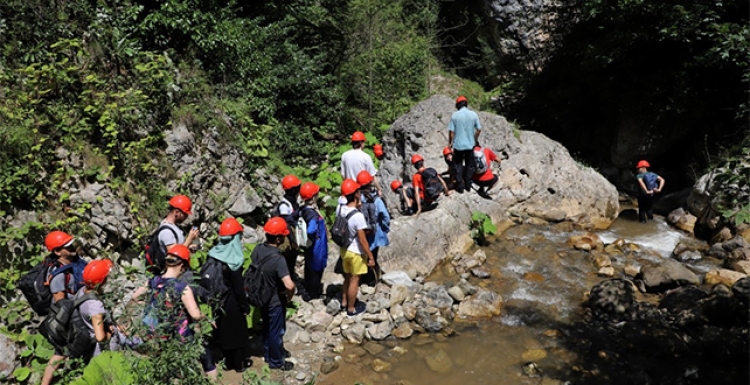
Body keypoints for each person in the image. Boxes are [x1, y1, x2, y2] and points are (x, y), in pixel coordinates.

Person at [131, 245, 217, 379]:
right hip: (179, 335)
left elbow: (134, 297)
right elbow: (195, 314)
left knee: (165, 367)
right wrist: (206, 318)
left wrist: (149, 305)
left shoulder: (153, 281)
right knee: (199, 357)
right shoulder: (182, 288)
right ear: (182, 265)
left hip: (158, 334)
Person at [42, 259, 111, 385]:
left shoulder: (83, 290)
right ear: (102, 281)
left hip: (75, 330)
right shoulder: (95, 306)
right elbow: (100, 337)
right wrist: (110, 334)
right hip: (93, 344)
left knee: (59, 354)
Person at [247, 217, 296, 371]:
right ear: (279, 237)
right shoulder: (278, 259)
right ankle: (276, 362)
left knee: (268, 327)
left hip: (261, 296)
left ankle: (268, 354)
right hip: (274, 299)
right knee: (276, 331)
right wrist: (290, 295)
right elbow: (289, 284)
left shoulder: (257, 249)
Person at [206, 218, 251, 372]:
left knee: (223, 332)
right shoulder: (234, 261)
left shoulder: (213, 254)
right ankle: (239, 366)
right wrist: (245, 307)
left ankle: (227, 364)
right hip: (232, 303)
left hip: (217, 301)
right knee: (237, 335)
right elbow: (239, 289)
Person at [338, 179, 375, 316]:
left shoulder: (340, 209)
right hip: (355, 252)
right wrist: (370, 257)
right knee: (355, 279)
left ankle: (344, 302)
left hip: (344, 250)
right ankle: (351, 309)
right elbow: (363, 240)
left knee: (347, 276)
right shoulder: (358, 216)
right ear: (356, 194)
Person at [357, 170, 390, 286]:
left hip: (360, 233)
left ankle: (361, 280)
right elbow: (385, 216)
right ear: (370, 183)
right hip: (374, 233)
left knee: (362, 256)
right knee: (373, 256)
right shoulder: (376, 199)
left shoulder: (357, 199)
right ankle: (371, 281)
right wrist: (385, 229)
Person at [298, 182, 328, 301]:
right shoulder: (312, 214)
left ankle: (308, 289)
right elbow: (311, 230)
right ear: (313, 197)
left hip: (308, 245)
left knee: (309, 265)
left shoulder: (303, 209)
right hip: (317, 244)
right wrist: (315, 236)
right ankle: (313, 294)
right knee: (317, 267)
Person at [448, 95, 482, 194]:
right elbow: (479, 129)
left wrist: (450, 143)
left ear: (458, 105)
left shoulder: (455, 115)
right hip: (470, 145)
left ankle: (460, 186)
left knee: (457, 165)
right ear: (466, 104)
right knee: (470, 165)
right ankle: (468, 185)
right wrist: (475, 139)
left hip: (458, 145)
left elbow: (451, 132)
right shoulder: (473, 114)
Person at [275, 174, 303, 288]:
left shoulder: (293, 202)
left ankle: (291, 275)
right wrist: (293, 241)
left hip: (294, 233)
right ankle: (285, 281)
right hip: (287, 237)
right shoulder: (284, 206)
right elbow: (286, 224)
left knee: (293, 257)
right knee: (287, 258)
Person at [341, 131, 383, 197]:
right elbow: (372, 177)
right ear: (361, 143)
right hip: (362, 191)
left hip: (350, 191)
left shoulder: (345, 155)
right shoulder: (366, 157)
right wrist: (379, 189)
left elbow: (343, 175)